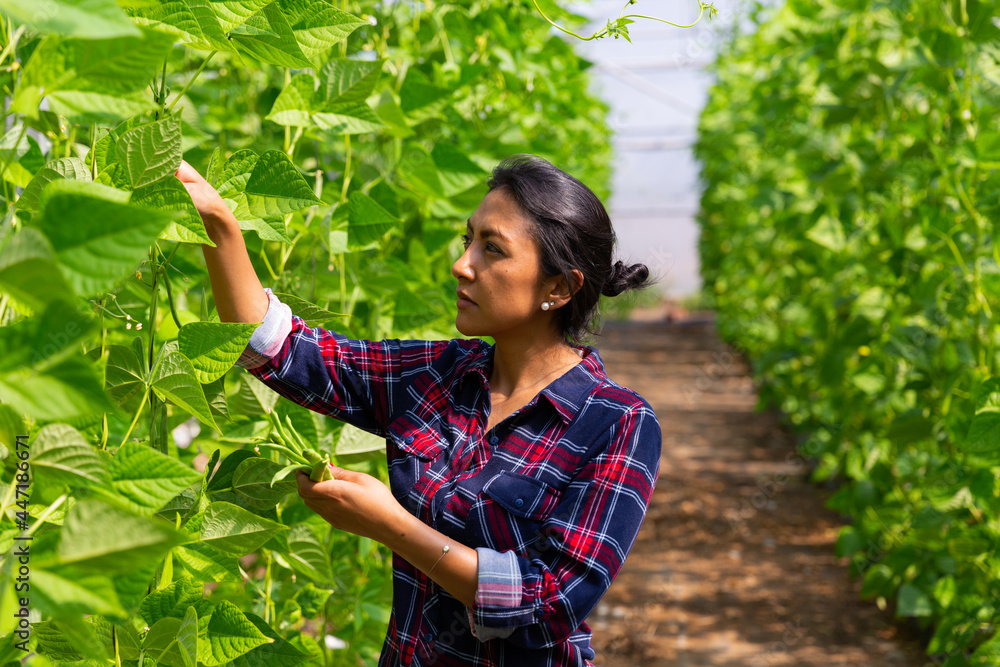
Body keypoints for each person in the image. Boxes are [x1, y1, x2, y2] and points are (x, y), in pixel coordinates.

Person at [175, 153, 662, 667]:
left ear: (559, 287)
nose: (462, 264)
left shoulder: (617, 423)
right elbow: (283, 352)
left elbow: (550, 604)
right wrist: (220, 225)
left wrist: (390, 525)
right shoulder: (441, 375)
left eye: (492, 248)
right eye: (467, 240)